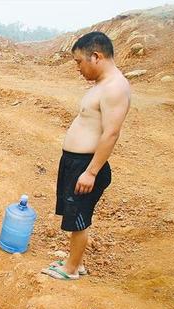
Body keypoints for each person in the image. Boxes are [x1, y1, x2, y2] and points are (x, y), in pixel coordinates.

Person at [42, 31, 131, 280]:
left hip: (85, 165)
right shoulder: (102, 85)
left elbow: (111, 133)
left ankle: (71, 270)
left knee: (78, 217)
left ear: (96, 56)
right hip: (75, 162)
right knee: (73, 215)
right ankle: (75, 262)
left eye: (79, 62)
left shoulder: (115, 88)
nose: (78, 68)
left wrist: (91, 171)